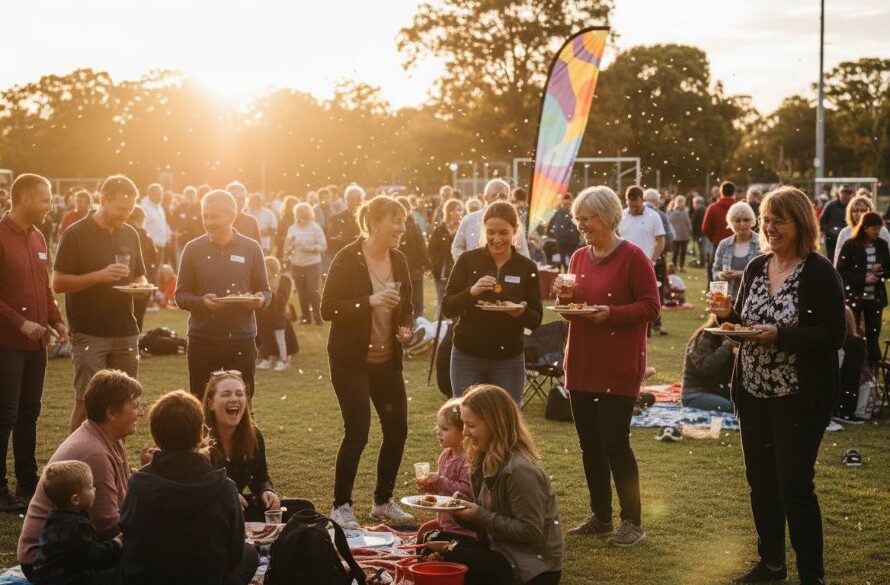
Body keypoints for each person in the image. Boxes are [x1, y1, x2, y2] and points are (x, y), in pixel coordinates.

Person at [709, 186, 845, 585]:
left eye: (778, 221)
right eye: (765, 220)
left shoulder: (819, 272)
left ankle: (811, 576)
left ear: (800, 223)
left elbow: (834, 334)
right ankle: (771, 565)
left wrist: (781, 336)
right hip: (753, 394)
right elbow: (744, 325)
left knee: (794, 486)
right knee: (761, 484)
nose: (769, 228)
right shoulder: (756, 267)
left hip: (798, 398)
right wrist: (726, 316)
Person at [558, 186, 659, 546]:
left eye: (587, 218)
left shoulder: (634, 257)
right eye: (578, 219)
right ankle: (600, 516)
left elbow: (651, 307)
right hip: (582, 362)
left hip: (618, 364)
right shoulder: (578, 257)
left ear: (608, 216)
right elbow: (572, 309)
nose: (581, 225)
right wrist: (565, 301)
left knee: (616, 443)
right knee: (590, 445)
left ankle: (632, 521)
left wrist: (611, 313)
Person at [321, 195, 415, 528]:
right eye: (395, 221)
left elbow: (406, 304)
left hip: (387, 361)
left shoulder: (399, 259)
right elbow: (328, 308)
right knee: (357, 432)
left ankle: (383, 502)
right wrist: (369, 301)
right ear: (374, 223)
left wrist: (405, 326)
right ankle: (341, 506)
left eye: (403, 221)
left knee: (397, 429)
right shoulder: (348, 258)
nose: (401, 228)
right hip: (351, 361)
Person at [118, 390, 258, 585]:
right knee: (249, 553)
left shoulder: (138, 483)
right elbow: (234, 554)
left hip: (148, 577)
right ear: (201, 433)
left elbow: (129, 538)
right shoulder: (224, 487)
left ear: (156, 436)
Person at [18, 370, 143, 580]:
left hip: (75, 549)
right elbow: (108, 526)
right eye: (135, 406)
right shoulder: (94, 453)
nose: (140, 413)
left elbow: (126, 493)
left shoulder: (110, 439)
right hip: (47, 562)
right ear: (111, 413)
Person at [53, 175, 148, 433]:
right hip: (89, 331)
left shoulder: (130, 233)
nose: (125, 215)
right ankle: (75, 457)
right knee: (87, 403)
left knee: (126, 404)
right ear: (103, 200)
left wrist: (141, 287)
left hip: (125, 329)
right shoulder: (75, 233)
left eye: (129, 209)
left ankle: (115, 458)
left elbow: (139, 274)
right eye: (120, 208)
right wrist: (99, 276)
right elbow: (58, 283)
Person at [442, 384, 563, 585]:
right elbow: (489, 521)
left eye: (471, 425)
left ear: (495, 424)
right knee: (434, 540)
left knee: (447, 555)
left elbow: (530, 531)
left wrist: (478, 514)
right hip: (500, 548)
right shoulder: (483, 458)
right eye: (463, 424)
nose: (465, 432)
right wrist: (462, 512)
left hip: (532, 567)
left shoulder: (520, 470)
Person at [0, 173, 67, 511]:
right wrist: (19, 322)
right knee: (5, 415)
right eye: (45, 199)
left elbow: (44, 287)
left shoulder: (39, 237)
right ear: (24, 199)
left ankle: (27, 482)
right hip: (6, 342)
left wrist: (56, 320)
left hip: (36, 344)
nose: (49, 206)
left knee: (29, 413)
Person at [175, 190, 271, 399]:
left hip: (241, 339)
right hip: (202, 339)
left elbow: (265, 290)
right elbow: (180, 296)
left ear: (231, 216)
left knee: (242, 403)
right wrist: (202, 302)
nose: (208, 222)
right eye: (205, 216)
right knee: (201, 401)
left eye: (214, 216)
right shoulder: (192, 249)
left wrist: (260, 300)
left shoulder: (251, 248)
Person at [443, 201, 543, 403]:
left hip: (509, 358)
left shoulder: (526, 267)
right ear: (483, 230)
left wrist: (521, 313)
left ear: (515, 230)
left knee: (506, 418)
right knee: (466, 416)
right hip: (467, 355)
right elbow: (448, 307)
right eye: (491, 232)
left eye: (503, 233)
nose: (496, 239)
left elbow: (536, 318)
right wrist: (472, 291)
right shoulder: (468, 260)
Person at [201, 371, 303, 522]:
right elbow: (194, 488)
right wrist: (226, 495)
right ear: (211, 404)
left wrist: (266, 490)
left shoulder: (253, 435)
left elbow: (261, 477)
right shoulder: (198, 439)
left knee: (303, 508)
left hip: (239, 509)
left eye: (239, 394)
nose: (234, 398)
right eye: (226, 394)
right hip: (208, 512)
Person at [32, 460, 121, 585]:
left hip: (44, 577)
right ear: (76, 499)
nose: (95, 489)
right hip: (67, 580)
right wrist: (116, 544)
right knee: (118, 575)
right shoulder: (78, 525)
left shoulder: (53, 517)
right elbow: (92, 556)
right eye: (90, 487)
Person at [415, 398, 475, 541]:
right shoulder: (445, 456)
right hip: (446, 521)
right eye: (439, 428)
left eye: (445, 429)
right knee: (423, 533)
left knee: (430, 541)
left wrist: (440, 481)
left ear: (463, 431)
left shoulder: (467, 459)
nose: (439, 432)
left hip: (463, 527)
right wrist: (431, 486)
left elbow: (467, 490)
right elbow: (443, 492)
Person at [836, 212, 890, 367]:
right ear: (865, 228)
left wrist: (881, 272)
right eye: (874, 229)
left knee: (873, 335)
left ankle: (873, 369)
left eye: (879, 229)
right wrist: (862, 279)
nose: (877, 232)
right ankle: (854, 368)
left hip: (875, 298)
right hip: (855, 297)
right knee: (853, 335)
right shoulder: (850, 245)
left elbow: (888, 268)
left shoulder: (881, 245)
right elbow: (841, 271)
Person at [619, 186, 666, 336]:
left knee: (648, 298)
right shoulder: (621, 216)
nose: (634, 209)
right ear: (626, 201)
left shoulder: (653, 216)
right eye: (631, 206)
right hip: (625, 265)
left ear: (642, 200)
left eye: (637, 206)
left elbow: (660, 241)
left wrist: (653, 259)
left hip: (647, 263)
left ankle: (654, 326)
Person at [451, 179, 530, 260]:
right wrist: (468, 263)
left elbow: (523, 253)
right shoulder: (469, 220)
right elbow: (457, 248)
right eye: (495, 195)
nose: (498, 199)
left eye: (502, 196)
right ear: (485, 197)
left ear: (508, 199)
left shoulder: (514, 222)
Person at [680, 316, 735, 412]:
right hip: (696, 393)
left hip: (717, 390)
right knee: (732, 408)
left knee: (746, 405)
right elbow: (705, 367)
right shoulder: (704, 337)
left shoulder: (731, 339)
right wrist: (727, 346)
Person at [284, 202, 326, 324]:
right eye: (298, 215)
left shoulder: (315, 228)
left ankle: (318, 317)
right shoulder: (292, 228)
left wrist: (311, 249)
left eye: (303, 216)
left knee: (313, 291)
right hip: (297, 264)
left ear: (308, 215)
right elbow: (287, 248)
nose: (301, 218)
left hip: (312, 264)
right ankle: (306, 317)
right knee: (301, 292)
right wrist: (290, 248)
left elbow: (323, 245)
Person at [712, 202, 762, 298]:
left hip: (753, 298)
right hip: (728, 298)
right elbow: (715, 271)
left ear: (752, 221)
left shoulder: (761, 243)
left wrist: (740, 274)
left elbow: (766, 274)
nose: (742, 224)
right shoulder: (724, 244)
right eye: (737, 220)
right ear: (731, 223)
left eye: (746, 220)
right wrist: (721, 275)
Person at [256, 256, 296, 372]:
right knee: (265, 338)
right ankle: (267, 359)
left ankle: (283, 361)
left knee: (280, 339)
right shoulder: (262, 282)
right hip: (265, 315)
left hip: (277, 316)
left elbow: (282, 300)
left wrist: (273, 292)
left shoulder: (282, 281)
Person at [832, 192, 890, 265]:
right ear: (850, 213)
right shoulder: (845, 233)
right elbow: (838, 260)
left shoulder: (881, 231)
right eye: (855, 211)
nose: (859, 214)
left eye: (863, 210)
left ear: (869, 211)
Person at [428, 198, 465, 313]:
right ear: (448, 211)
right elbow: (431, 250)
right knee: (442, 302)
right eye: (455, 210)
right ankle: (441, 324)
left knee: (457, 302)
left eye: (460, 210)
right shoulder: (440, 230)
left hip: (459, 270)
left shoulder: (463, 229)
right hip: (442, 271)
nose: (458, 213)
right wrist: (435, 267)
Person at [126, 205, 159, 331]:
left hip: (130, 277)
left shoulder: (125, 231)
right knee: (138, 313)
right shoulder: (142, 233)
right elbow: (154, 254)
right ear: (141, 218)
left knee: (131, 313)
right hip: (143, 276)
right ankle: (137, 336)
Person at [397, 196, 430, 320]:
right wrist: (427, 264)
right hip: (414, 268)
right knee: (416, 303)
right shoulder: (413, 224)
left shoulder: (403, 225)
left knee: (403, 301)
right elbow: (421, 245)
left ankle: (407, 323)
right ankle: (417, 323)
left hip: (402, 269)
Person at [702, 182, 738, 282]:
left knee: (714, 271)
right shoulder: (738, 207)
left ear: (721, 192)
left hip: (718, 243)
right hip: (736, 243)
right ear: (733, 192)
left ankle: (712, 289)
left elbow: (705, 227)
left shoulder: (713, 207)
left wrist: (714, 238)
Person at [326, 184, 364, 257]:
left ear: (360, 200)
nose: (350, 201)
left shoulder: (367, 217)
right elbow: (331, 240)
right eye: (348, 198)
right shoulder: (337, 218)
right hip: (343, 255)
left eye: (354, 198)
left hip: (362, 255)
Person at [140, 183, 170, 271]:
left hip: (161, 245)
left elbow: (163, 224)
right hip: (150, 247)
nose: (161, 196)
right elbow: (141, 227)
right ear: (150, 194)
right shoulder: (144, 208)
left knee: (157, 273)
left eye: (161, 194)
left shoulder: (160, 207)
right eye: (158, 194)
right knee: (150, 272)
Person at [546, 193, 580, 272]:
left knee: (571, 266)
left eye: (568, 204)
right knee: (561, 265)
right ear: (561, 203)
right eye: (564, 204)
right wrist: (555, 237)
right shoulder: (557, 214)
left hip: (572, 245)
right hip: (560, 244)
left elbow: (578, 229)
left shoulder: (574, 215)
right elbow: (549, 229)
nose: (566, 206)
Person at [819, 185, 853, 262]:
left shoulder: (852, 207)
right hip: (831, 239)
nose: (845, 195)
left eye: (848, 193)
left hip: (847, 238)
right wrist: (826, 231)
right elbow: (822, 220)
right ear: (839, 193)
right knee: (831, 260)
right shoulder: (831, 205)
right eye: (843, 193)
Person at [224, 181, 262, 246]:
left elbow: (258, 249)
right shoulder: (216, 220)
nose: (238, 201)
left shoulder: (251, 222)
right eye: (234, 197)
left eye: (241, 198)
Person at [667, 195, 692, 271]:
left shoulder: (682, 212)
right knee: (677, 252)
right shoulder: (674, 212)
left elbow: (688, 223)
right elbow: (688, 223)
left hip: (683, 235)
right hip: (677, 235)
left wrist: (690, 231)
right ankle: (675, 266)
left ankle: (680, 266)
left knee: (681, 252)